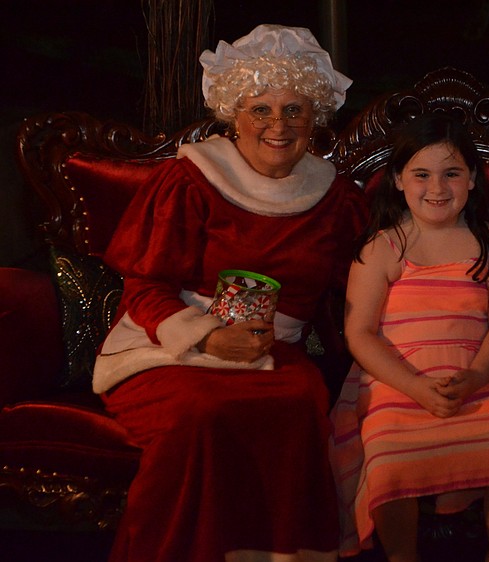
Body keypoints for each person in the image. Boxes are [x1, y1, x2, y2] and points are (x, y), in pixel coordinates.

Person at [92, 24, 368, 562]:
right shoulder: (191, 182)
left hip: (275, 354)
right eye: (260, 110)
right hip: (166, 348)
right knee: (199, 412)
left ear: (315, 119)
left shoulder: (335, 199)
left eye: (295, 110)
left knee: (300, 399)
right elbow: (145, 286)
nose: (278, 126)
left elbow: (367, 278)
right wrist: (209, 339)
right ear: (233, 115)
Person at [329, 114, 489, 562]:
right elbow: (359, 333)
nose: (437, 187)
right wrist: (414, 386)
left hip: (474, 373)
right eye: (421, 174)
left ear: (474, 179)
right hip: (393, 376)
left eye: (452, 173)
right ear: (399, 180)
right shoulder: (382, 247)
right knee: (389, 450)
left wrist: (478, 375)